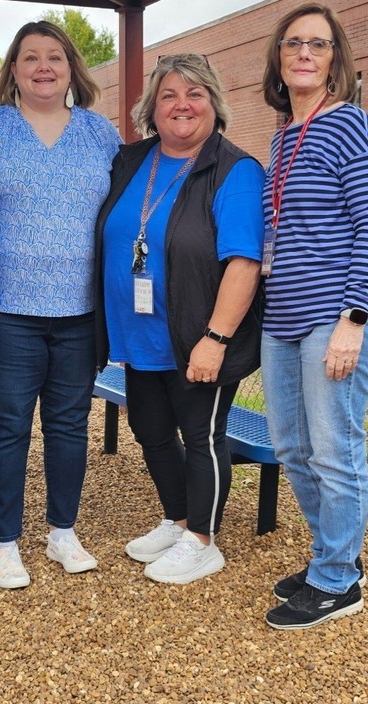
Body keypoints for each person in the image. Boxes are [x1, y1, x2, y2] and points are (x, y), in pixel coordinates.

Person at [95, 54, 264, 585]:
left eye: (195, 93)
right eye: (169, 95)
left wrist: (215, 338)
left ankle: (203, 539)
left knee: (200, 432)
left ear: (213, 103)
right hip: (141, 329)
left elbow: (244, 262)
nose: (182, 105)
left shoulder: (233, 170)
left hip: (198, 333)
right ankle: (177, 518)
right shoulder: (131, 161)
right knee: (149, 429)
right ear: (152, 107)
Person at [0, 20, 121, 589]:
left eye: (54, 56)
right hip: (8, 310)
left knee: (68, 425)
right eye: (30, 58)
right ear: (13, 70)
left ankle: (62, 531)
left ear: (71, 67)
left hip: (80, 311)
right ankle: (3, 542)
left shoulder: (99, 134)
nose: (43, 67)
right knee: (7, 428)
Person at [259, 3, 368, 630]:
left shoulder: (352, 126)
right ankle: (333, 558)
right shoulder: (282, 136)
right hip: (282, 318)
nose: (304, 53)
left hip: (334, 316)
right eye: (293, 43)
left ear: (335, 58)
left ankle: (338, 580)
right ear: (279, 60)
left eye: (318, 43)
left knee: (335, 449)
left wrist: (355, 317)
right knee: (293, 447)